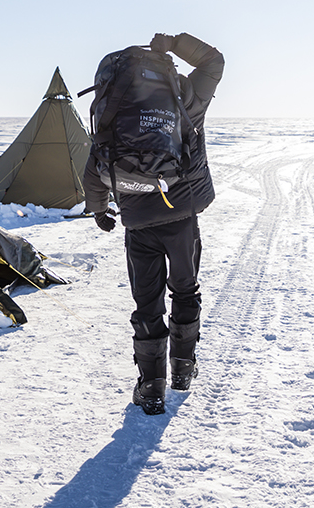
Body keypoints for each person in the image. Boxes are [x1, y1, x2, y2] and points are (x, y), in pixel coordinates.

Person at [85, 32, 225, 415]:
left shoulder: (113, 105)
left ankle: (151, 387)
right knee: (185, 288)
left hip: (138, 223)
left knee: (147, 303)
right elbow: (214, 62)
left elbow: (96, 165)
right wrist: (175, 43)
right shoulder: (185, 99)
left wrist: (99, 209)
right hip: (182, 216)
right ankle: (182, 369)